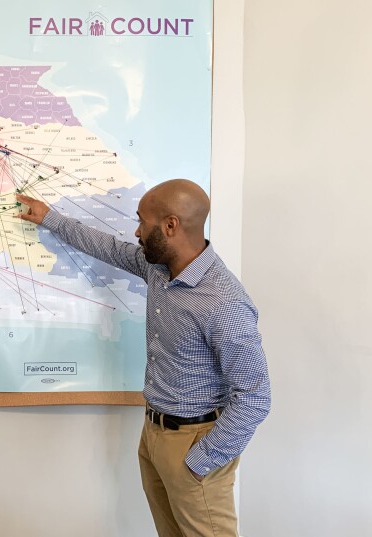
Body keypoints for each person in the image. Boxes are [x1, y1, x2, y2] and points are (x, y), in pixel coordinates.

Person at [16, 179, 270, 537]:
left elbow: (255, 398)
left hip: (195, 443)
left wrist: (201, 462)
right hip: (154, 434)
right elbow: (109, 248)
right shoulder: (160, 268)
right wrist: (50, 219)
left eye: (142, 222)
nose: (136, 231)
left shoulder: (223, 302)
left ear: (170, 226)